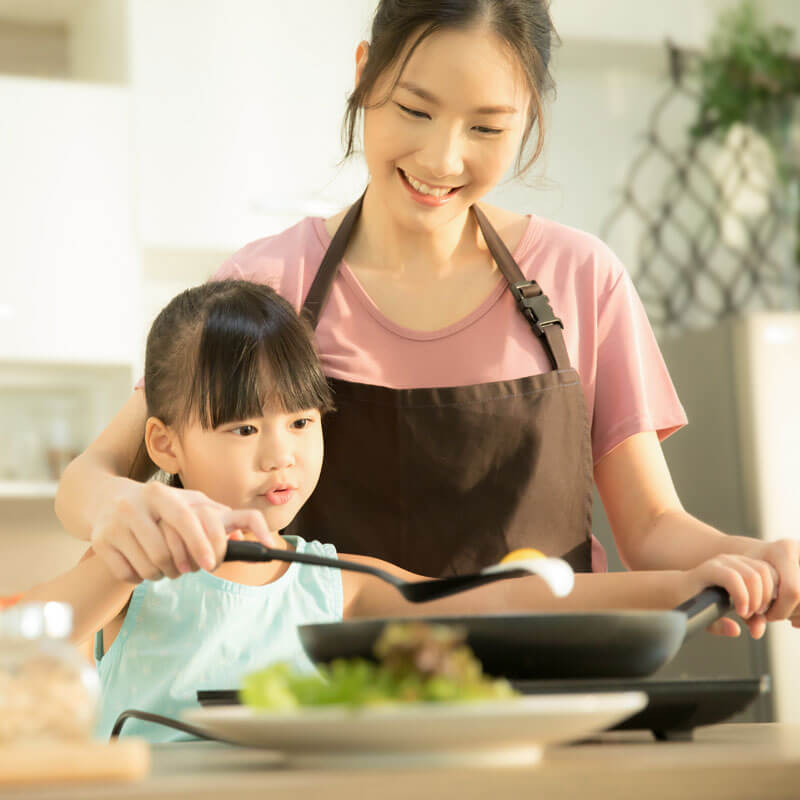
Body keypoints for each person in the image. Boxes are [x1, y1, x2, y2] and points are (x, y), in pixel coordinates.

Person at [53, 0, 800, 632]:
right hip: (329, 713)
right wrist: (120, 506)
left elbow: (652, 529)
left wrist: (752, 559)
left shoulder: (582, 278)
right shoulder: (267, 283)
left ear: (528, 118)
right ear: (362, 75)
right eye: (415, 109)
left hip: (557, 696)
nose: (443, 159)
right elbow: (93, 474)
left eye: (486, 127)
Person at [20, 280, 779, 742]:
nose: (280, 454)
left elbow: (513, 595)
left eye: (302, 422)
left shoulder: (330, 579)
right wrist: (128, 555)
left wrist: (685, 583)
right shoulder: (130, 568)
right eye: (244, 428)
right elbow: (24, 648)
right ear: (165, 442)